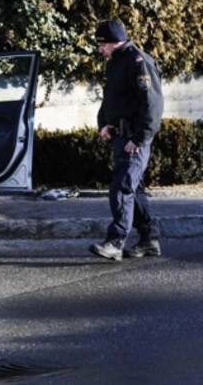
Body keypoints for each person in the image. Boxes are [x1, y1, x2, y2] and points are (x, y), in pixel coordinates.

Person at [89, 20, 164, 261]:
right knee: (135, 190)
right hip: (121, 136)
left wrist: (140, 138)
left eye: (101, 45)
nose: (99, 50)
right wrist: (103, 123)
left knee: (121, 188)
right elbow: (112, 98)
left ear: (111, 42)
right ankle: (149, 240)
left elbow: (152, 104)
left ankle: (115, 242)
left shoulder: (138, 61)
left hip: (134, 139)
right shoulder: (117, 63)